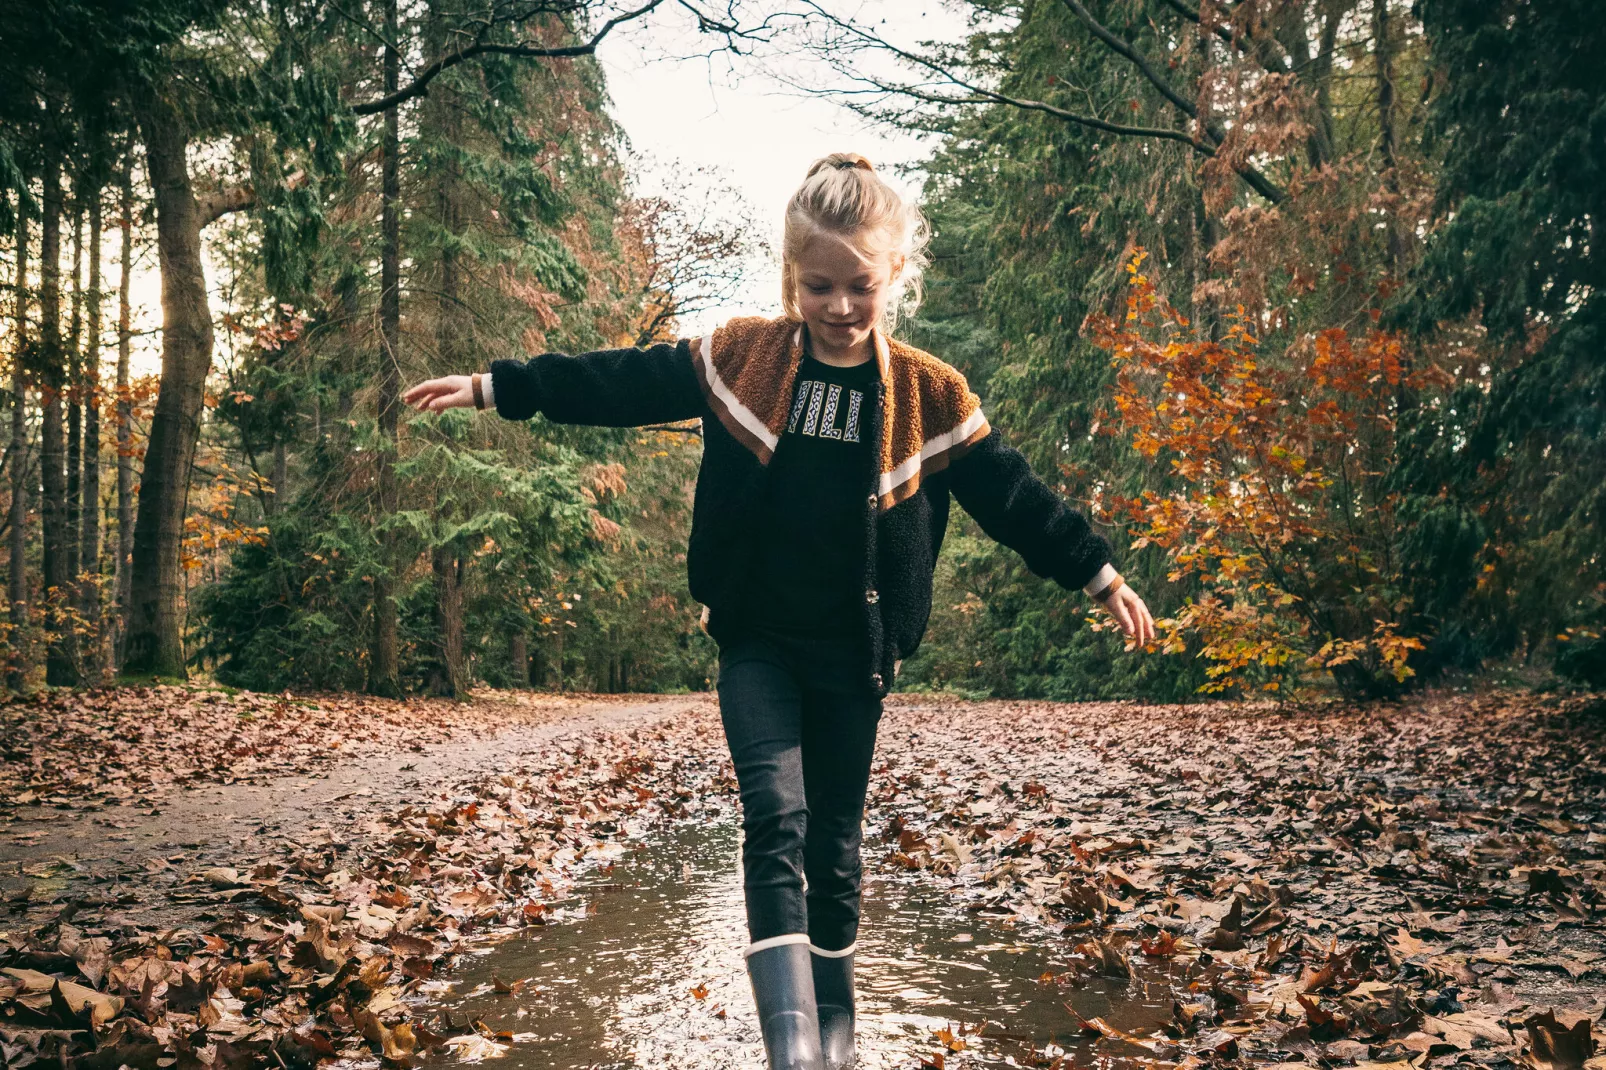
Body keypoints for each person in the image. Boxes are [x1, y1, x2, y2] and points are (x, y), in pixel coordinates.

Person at [402, 152, 1156, 1070]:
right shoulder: (745, 359)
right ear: (790, 277)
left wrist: (1098, 574)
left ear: (895, 278)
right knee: (776, 818)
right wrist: (499, 386)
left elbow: (1013, 495)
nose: (839, 307)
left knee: (835, 846)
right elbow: (624, 383)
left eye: (860, 287)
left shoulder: (929, 394)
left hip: (858, 655)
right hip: (757, 641)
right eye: (818, 286)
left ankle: (833, 1040)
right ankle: (791, 1048)